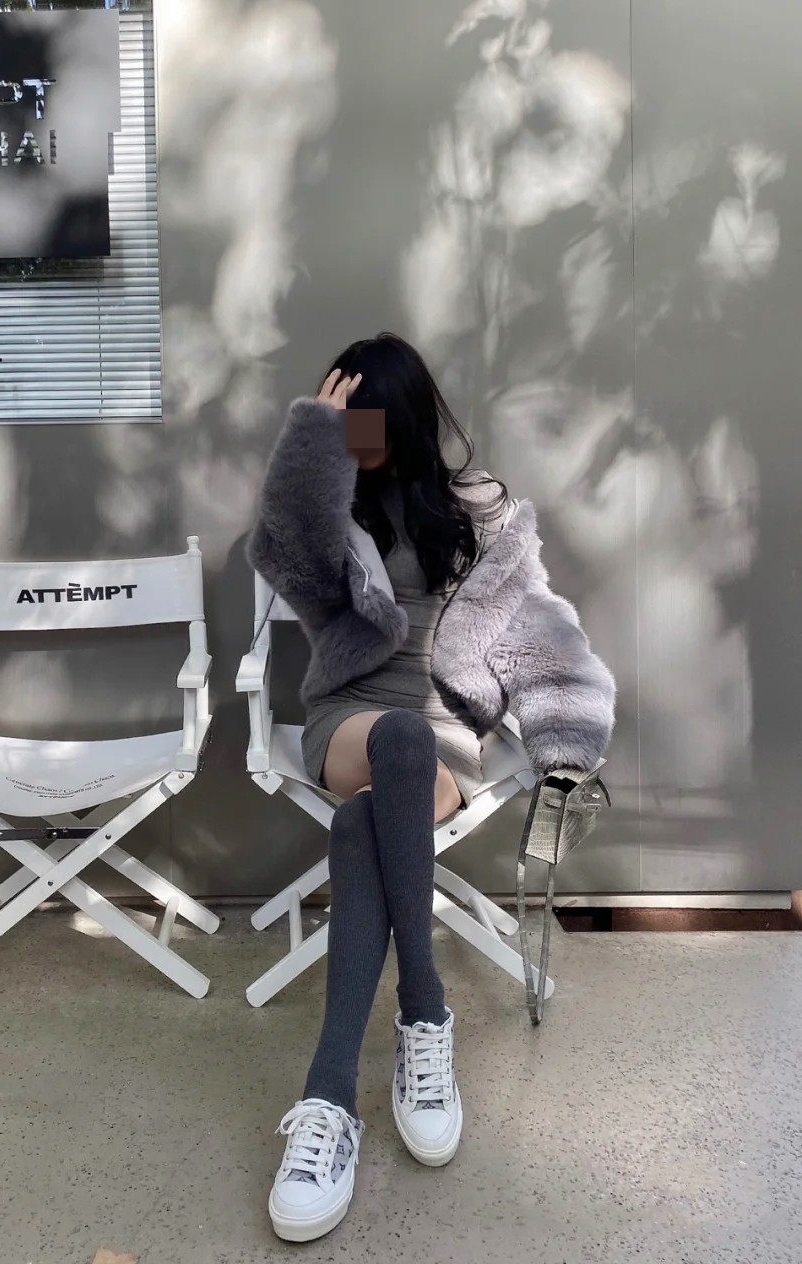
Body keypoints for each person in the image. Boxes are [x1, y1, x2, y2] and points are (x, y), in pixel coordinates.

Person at [244, 331, 616, 1242]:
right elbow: (287, 555)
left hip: (443, 731)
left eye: (368, 417)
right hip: (349, 715)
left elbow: (537, 628)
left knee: (368, 817)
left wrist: (565, 734)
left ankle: (329, 1098)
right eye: (345, 416)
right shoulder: (331, 504)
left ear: (405, 416)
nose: (358, 431)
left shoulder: (478, 513)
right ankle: (423, 1009)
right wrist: (316, 443)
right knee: (393, 740)